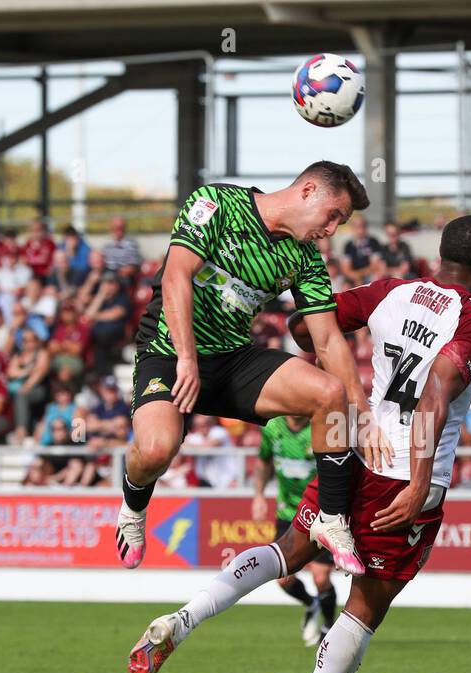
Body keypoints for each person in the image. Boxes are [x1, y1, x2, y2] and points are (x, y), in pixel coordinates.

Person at [127, 214, 471, 673]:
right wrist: (420, 484)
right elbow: (433, 396)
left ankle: (183, 618)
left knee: (290, 548)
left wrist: (331, 362)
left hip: (351, 447)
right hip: (403, 475)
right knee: (365, 608)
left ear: (438, 256)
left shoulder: (393, 291)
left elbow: (308, 327)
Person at [118, 161, 391, 577]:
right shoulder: (217, 203)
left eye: (341, 221)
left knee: (329, 393)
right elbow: (176, 276)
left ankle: (332, 522)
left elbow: (329, 341)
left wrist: (364, 414)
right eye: (333, 215)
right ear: (307, 191)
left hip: (233, 359)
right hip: (170, 352)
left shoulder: (304, 258)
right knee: (155, 450)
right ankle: (134, 507)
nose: (332, 229)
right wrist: (187, 358)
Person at [253, 414, 338, 646]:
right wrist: (259, 495)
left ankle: (329, 625)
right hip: (287, 514)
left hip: (319, 513)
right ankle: (312, 604)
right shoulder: (272, 428)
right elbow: (263, 461)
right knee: (283, 579)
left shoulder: (319, 428)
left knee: (321, 577)